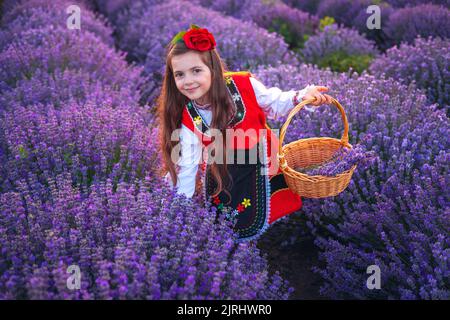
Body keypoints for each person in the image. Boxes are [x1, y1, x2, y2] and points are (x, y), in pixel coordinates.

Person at [158, 24, 333, 242]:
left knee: (264, 206)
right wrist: (177, 211)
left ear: (212, 68)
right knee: (232, 221)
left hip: (262, 163)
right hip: (225, 174)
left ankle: (264, 244)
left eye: (196, 71)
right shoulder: (189, 117)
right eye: (180, 74)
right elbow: (188, 165)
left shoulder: (243, 84)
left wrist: (302, 95)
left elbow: (274, 102)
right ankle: (239, 253)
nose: (189, 80)